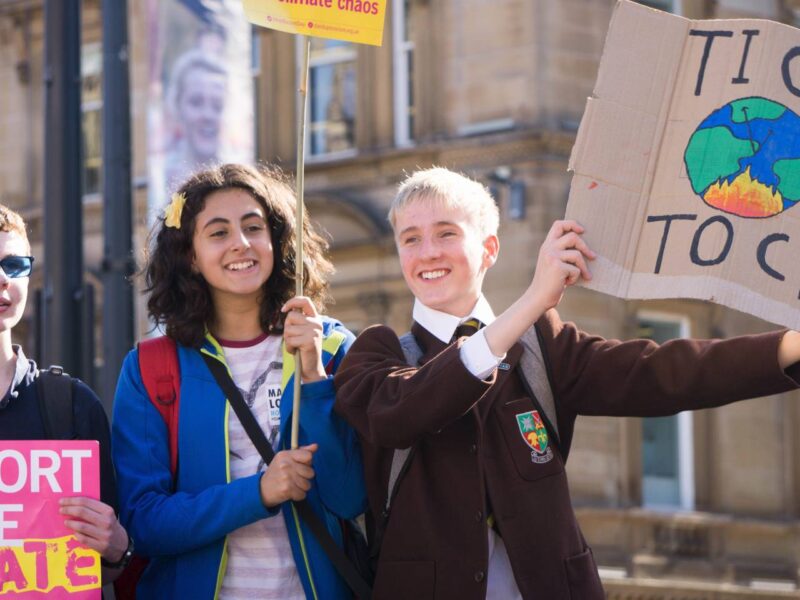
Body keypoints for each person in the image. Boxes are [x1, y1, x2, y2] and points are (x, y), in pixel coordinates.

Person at [332, 167, 800, 600]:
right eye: (410, 239)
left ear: (490, 249)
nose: (428, 252)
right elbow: (402, 413)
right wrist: (535, 297)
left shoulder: (542, 346)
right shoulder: (376, 354)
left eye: (446, 234)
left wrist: (791, 346)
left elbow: (661, 373)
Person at [112, 163, 366, 599]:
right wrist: (259, 492)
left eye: (254, 226)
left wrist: (315, 378)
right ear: (190, 255)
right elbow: (144, 522)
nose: (241, 244)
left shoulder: (331, 346)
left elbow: (351, 498)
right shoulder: (150, 368)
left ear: (276, 240)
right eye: (218, 232)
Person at [0, 204, 131, 583]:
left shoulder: (72, 405)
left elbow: (112, 567)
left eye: (15, 265)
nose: (2, 278)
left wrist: (118, 544)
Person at [163, 49, 228, 188]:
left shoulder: (242, 171)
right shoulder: (159, 179)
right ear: (177, 106)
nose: (208, 115)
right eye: (196, 102)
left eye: (217, 105)